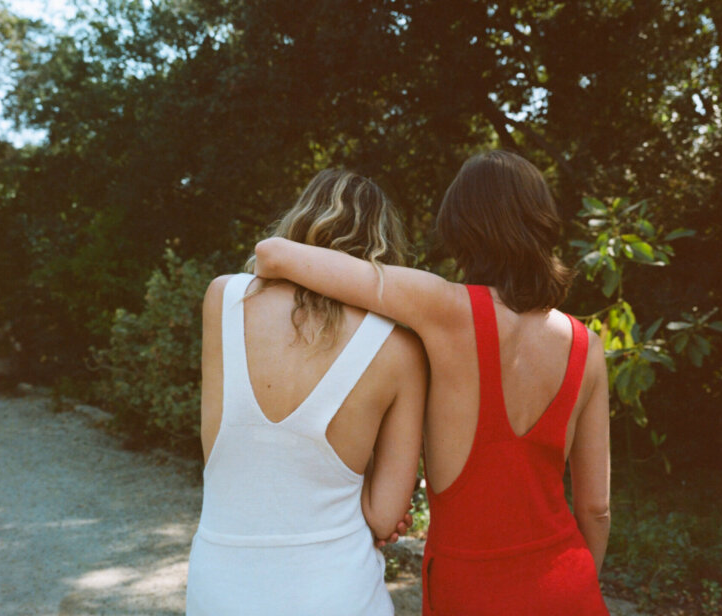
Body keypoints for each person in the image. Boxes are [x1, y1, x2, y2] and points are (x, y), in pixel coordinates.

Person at [254, 150, 611, 615]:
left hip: (468, 589)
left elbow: (272, 254)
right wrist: (576, 583)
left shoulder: (444, 308)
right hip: (568, 585)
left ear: (461, 228)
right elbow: (596, 508)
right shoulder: (589, 347)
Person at [186, 169, 427, 616]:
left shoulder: (224, 299)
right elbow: (383, 517)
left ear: (300, 220)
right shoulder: (401, 350)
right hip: (339, 591)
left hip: (220, 588)